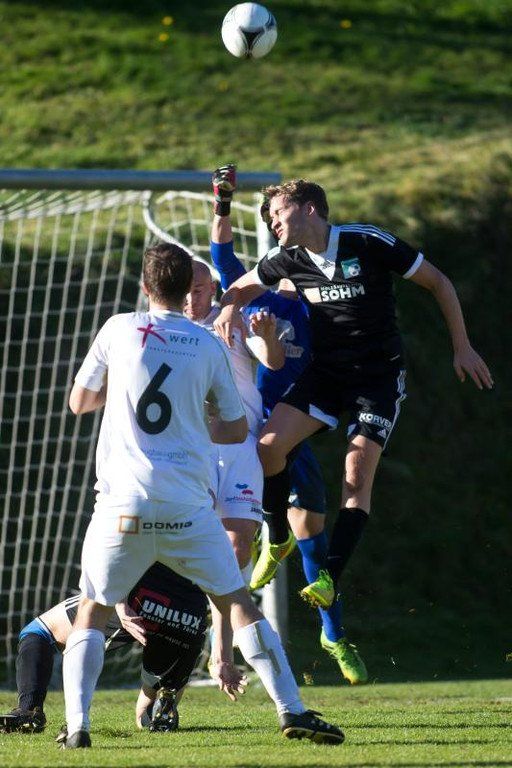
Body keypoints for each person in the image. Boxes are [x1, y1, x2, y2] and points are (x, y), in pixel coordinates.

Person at [60, 242, 344, 748]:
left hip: (123, 505)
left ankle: (78, 727)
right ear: (185, 290)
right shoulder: (208, 343)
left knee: (92, 611)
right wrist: (194, 422)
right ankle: (292, 710)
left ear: (146, 287)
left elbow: (79, 402)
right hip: (187, 509)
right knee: (237, 602)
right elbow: (234, 431)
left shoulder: (118, 329)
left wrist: (122, 391)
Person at [213, 178, 494, 612]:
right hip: (326, 374)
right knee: (268, 447)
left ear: (309, 209)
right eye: (269, 218)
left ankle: (329, 578)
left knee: (355, 476)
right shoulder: (286, 258)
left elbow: (438, 282)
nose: (272, 223)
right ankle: (279, 536)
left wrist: (462, 346)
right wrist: (230, 306)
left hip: (376, 380)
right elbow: (243, 285)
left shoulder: (366, 241)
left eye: (279, 213)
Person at [210, 165, 367, 684]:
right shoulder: (259, 296)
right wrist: (222, 203)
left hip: (295, 433)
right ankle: (211, 643)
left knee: (313, 536)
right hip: (253, 436)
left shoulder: (323, 309)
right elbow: (222, 256)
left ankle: (333, 634)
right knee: (235, 532)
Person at [0, 562, 208, 735]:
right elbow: (222, 585)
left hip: (139, 596)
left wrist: (120, 604)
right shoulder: (208, 527)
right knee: (144, 715)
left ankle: (29, 711)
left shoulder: (139, 523)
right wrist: (220, 652)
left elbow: (115, 557)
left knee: (39, 631)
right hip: (188, 615)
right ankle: (162, 705)